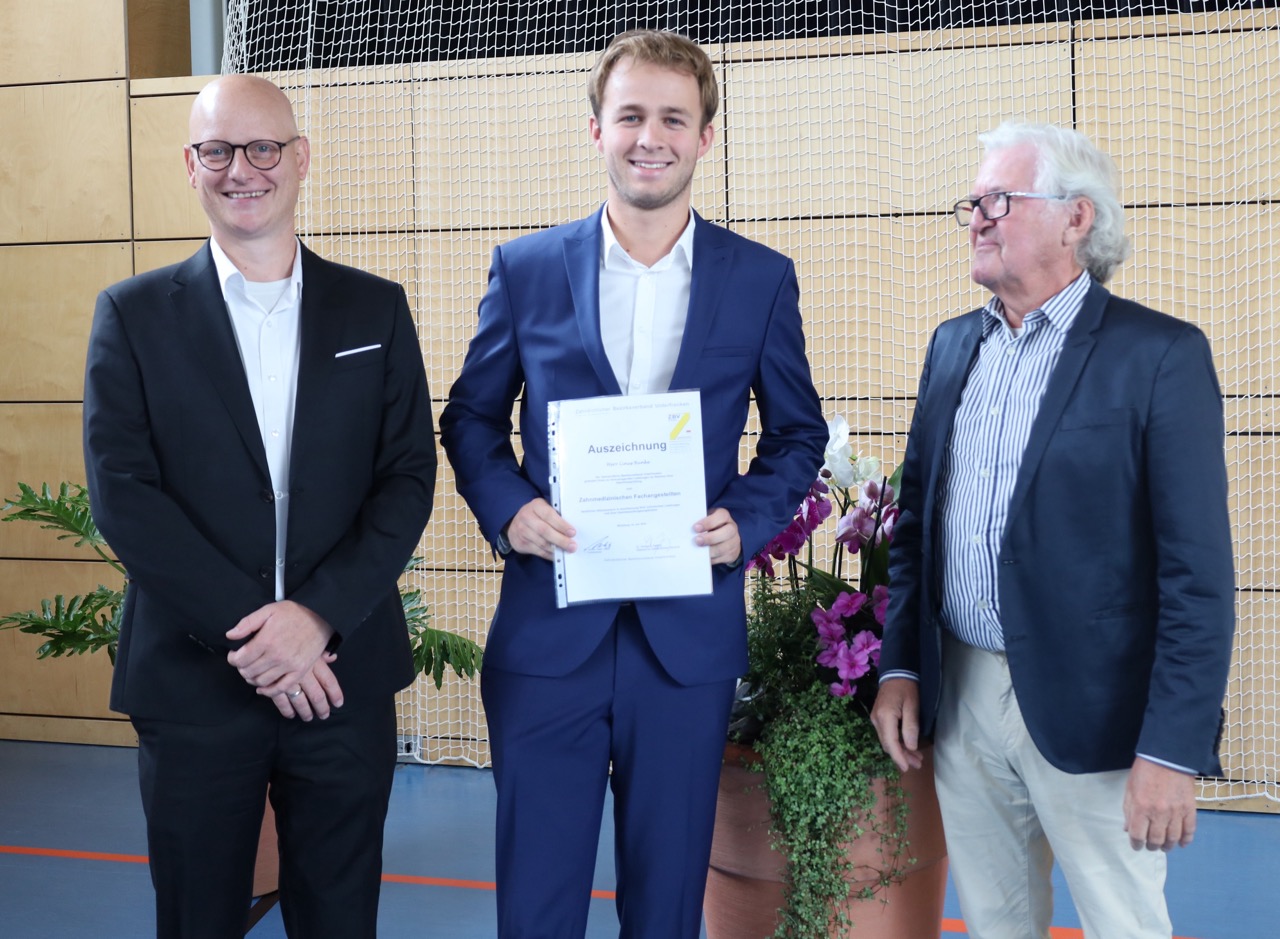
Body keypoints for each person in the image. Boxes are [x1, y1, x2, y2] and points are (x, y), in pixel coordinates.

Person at [439, 29, 826, 939]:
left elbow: (797, 434)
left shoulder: (760, 278)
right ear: (596, 129)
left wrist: (746, 520)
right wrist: (510, 507)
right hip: (547, 637)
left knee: (665, 907)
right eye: (630, 116)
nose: (650, 137)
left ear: (705, 137)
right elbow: (470, 418)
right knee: (536, 906)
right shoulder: (526, 270)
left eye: (673, 119)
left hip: (685, 645)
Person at [82, 75, 438, 938]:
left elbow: (406, 478)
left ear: (300, 157)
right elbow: (124, 495)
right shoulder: (132, 315)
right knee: (196, 918)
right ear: (191, 164)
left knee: (339, 918)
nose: (241, 169)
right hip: (193, 684)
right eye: (217, 150)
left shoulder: (375, 308)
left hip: (341, 679)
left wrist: (314, 618)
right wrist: (259, 633)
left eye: (263, 147)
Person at [870, 121, 1235, 938]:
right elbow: (915, 527)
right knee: (996, 923)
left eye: (1000, 199)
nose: (977, 217)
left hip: (1099, 712)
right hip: (962, 696)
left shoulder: (1160, 355)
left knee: (1123, 923)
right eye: (973, 201)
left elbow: (1198, 577)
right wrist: (901, 666)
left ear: (1077, 217)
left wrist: (1171, 749)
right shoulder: (952, 346)